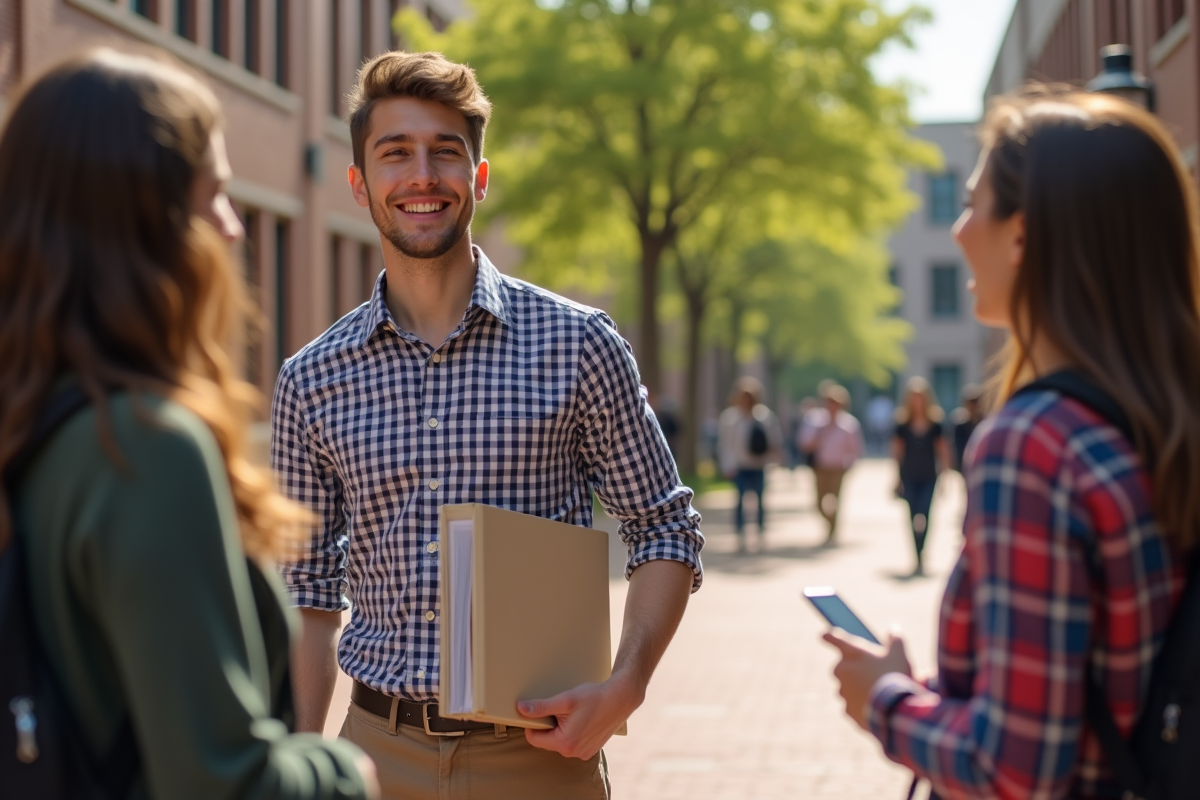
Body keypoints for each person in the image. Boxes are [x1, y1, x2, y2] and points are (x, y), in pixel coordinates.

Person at [271, 51, 703, 800]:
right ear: (359, 183)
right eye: (395, 153)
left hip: (541, 758)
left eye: (447, 152)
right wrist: (299, 770)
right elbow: (307, 592)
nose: (422, 176)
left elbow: (664, 526)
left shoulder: (579, 344)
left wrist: (626, 685)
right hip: (375, 756)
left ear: (479, 176)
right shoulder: (310, 379)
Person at [0, 50, 378, 799]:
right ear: (147, 226)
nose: (235, 231)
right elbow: (222, 783)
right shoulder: (144, 447)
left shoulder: (28, 419)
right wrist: (344, 771)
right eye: (216, 197)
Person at [822, 89, 1198, 799]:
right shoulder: (1165, 416)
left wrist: (887, 700)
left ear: (1022, 236)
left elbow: (1014, 773)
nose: (960, 231)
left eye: (973, 204)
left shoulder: (1035, 446)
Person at [717, 377, 783, 551]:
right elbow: (725, 445)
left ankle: (760, 533)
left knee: (760, 501)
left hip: (759, 466)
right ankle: (740, 535)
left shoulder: (764, 417)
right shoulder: (730, 418)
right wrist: (727, 466)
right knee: (740, 501)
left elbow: (774, 440)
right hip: (739, 467)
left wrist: (774, 459)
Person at [891, 377, 949, 576]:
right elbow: (897, 453)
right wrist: (895, 477)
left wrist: (945, 477)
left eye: (920, 398)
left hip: (929, 477)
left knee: (925, 514)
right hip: (908, 476)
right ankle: (916, 556)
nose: (917, 402)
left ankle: (923, 552)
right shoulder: (902, 424)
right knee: (912, 515)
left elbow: (943, 452)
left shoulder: (935, 424)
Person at [799, 384, 863, 545]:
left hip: (838, 468)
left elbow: (856, 449)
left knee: (835, 500)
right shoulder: (815, 421)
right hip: (820, 467)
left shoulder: (849, 424)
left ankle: (832, 532)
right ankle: (830, 524)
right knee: (819, 502)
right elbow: (803, 442)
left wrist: (850, 465)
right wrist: (819, 434)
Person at [949, 383, 984, 472]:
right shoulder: (960, 424)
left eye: (975, 402)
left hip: (980, 463)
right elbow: (956, 447)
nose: (973, 406)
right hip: (964, 464)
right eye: (970, 403)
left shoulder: (983, 423)